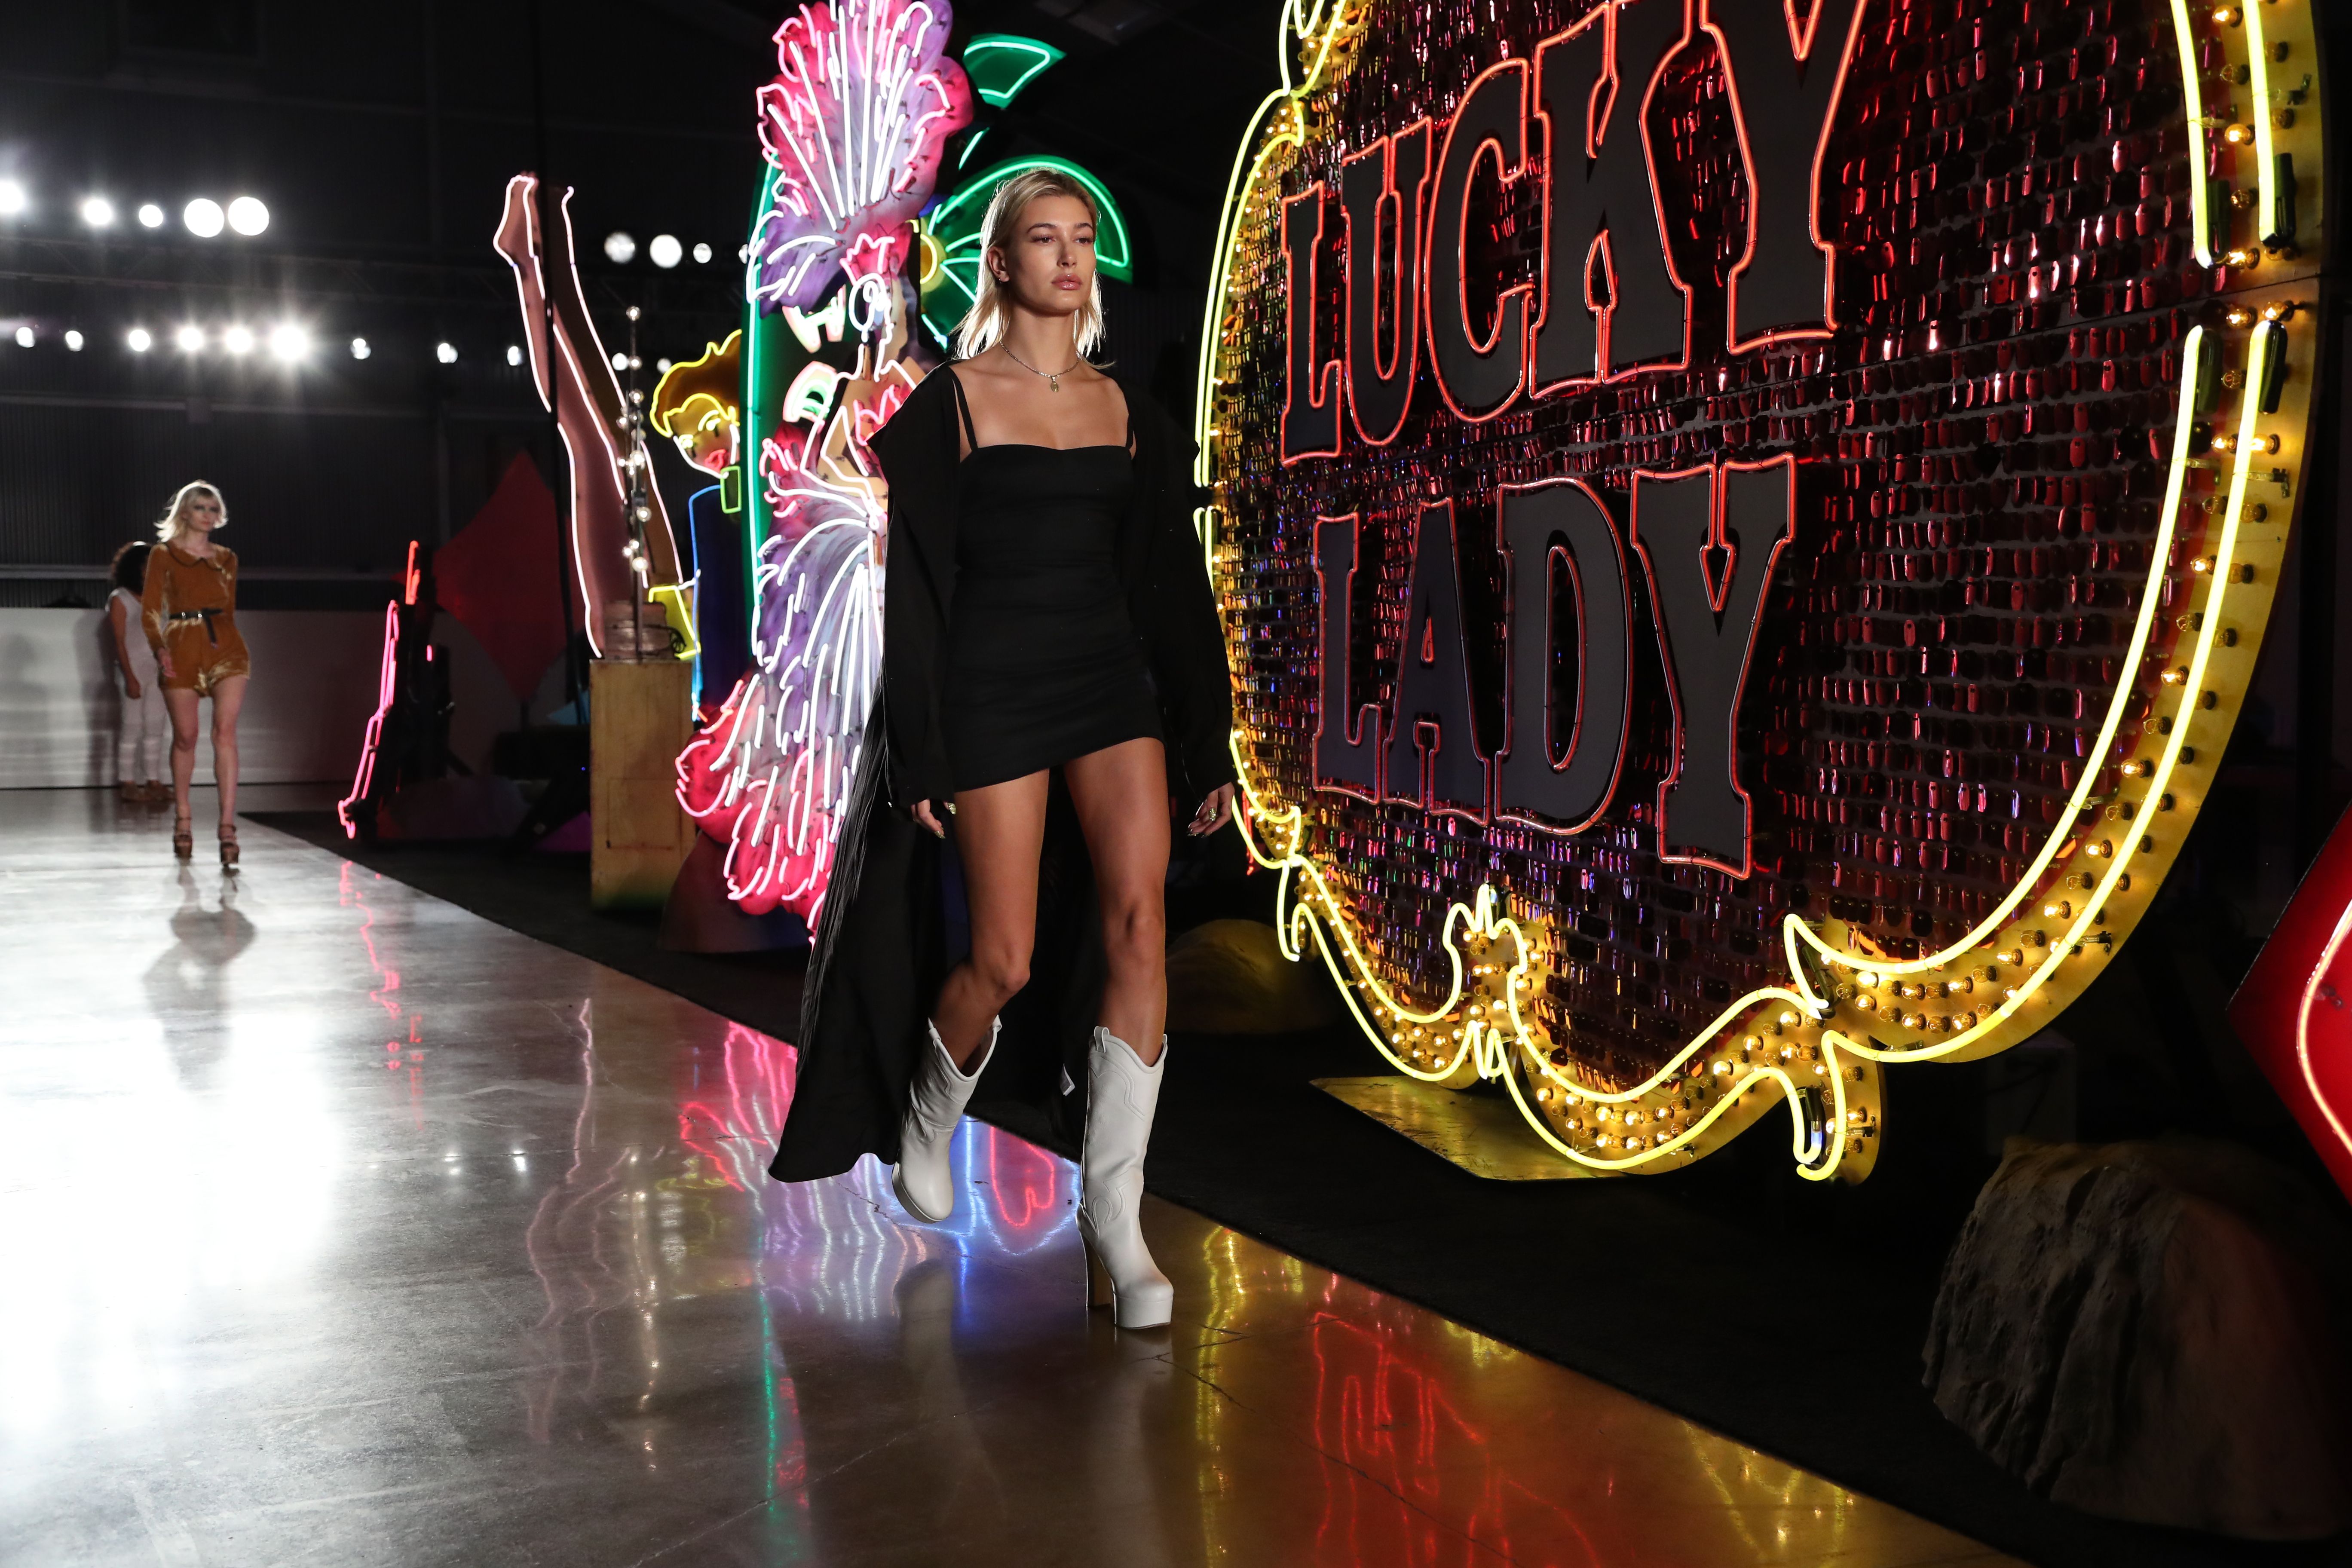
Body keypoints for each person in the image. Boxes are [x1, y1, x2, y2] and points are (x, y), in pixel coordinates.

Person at [769, 169, 1237, 1330]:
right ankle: (930, 1112)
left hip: (1109, 685)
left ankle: (1115, 1214)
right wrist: (919, 747)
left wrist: (1208, 738)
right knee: (1005, 959)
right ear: (1003, 261)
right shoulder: (952, 405)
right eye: (1044, 238)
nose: (1069, 257)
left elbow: (1171, 588)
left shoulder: (1128, 409)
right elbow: (917, 594)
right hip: (989, 689)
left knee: (1139, 924)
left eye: (1082, 238)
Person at [141, 481, 250, 869]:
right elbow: (150, 610)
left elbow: (229, 609)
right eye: (201, 507)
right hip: (182, 645)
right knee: (186, 737)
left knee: (225, 733)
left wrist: (223, 640)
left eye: (213, 508)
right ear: (184, 512)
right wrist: (160, 648)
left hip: (227, 647)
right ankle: (183, 819)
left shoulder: (227, 558)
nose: (208, 514)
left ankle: (227, 828)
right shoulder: (163, 554)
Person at [106, 542, 166, 805]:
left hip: (158, 670)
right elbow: (119, 641)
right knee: (132, 726)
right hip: (132, 669)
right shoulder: (121, 598)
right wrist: (130, 677)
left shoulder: (159, 597)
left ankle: (154, 781)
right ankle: (128, 782)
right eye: (146, 565)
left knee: (156, 726)